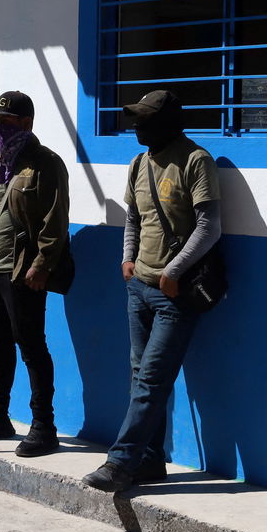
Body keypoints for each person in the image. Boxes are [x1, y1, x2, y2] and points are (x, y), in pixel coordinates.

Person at [83, 89, 221, 492]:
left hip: (174, 295)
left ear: (168, 123)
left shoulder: (196, 161)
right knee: (139, 376)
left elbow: (209, 226)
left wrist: (174, 271)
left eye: (144, 119)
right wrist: (127, 260)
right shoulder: (139, 163)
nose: (136, 127)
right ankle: (149, 460)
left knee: (151, 380)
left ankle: (120, 463)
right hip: (138, 287)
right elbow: (134, 219)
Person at [0, 91, 71, 457]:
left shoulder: (46, 164)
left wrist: (42, 265)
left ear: (26, 123)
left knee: (32, 348)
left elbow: (56, 220)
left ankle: (43, 426)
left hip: (23, 272)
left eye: (6, 122)